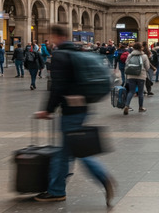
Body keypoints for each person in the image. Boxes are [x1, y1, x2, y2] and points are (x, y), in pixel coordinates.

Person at [33, 24, 115, 205]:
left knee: (77, 150)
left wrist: (48, 109)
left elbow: (57, 87)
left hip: (70, 110)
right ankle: (56, 190)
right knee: (65, 152)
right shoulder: (79, 51)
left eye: (51, 37)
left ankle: (102, 177)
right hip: (83, 106)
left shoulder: (61, 55)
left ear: (56, 36)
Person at [123, 43, 149, 115]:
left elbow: (126, 64)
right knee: (140, 92)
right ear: (141, 48)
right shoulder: (144, 56)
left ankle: (127, 105)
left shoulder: (130, 55)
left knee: (131, 91)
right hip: (141, 76)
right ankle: (141, 107)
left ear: (133, 48)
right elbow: (147, 67)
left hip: (131, 76)